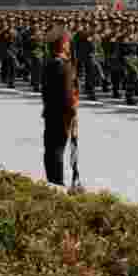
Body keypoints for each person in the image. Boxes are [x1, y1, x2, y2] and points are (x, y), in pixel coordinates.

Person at [41, 24, 78, 186]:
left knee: (50, 149)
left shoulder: (49, 63)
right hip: (62, 115)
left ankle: (52, 181)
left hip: (50, 112)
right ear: (63, 44)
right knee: (57, 149)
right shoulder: (64, 66)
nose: (69, 45)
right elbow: (67, 96)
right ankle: (58, 184)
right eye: (68, 42)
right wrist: (72, 115)